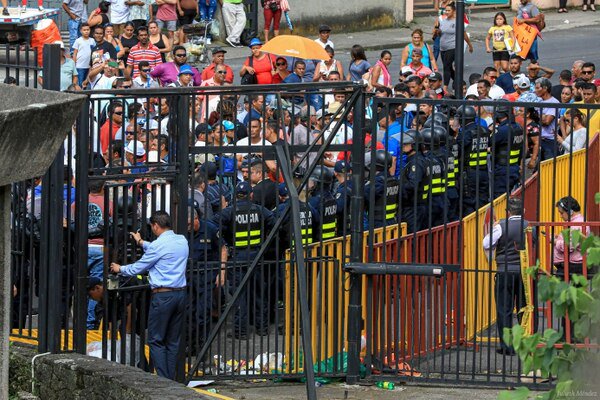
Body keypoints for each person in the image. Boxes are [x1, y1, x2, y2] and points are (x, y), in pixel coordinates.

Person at [110, 211, 188, 380]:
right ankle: (172, 379)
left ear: (155, 226)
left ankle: (163, 379)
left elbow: (139, 267)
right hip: (180, 294)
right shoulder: (182, 241)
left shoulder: (159, 246)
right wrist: (141, 242)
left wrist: (120, 269)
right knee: (172, 341)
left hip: (163, 296)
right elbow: (158, 248)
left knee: (155, 339)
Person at [213, 182, 275, 338]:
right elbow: (275, 223)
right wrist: (265, 241)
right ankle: (262, 328)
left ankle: (241, 331)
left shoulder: (229, 212)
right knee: (260, 293)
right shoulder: (260, 211)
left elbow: (213, 224)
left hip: (238, 259)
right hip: (257, 257)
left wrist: (225, 237)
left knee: (239, 296)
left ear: (236, 196)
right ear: (251, 195)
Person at [482, 198, 528, 356]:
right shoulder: (530, 226)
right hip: (524, 273)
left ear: (508, 212)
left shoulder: (501, 226)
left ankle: (507, 346)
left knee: (504, 309)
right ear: (523, 211)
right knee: (524, 309)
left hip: (505, 271)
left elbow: (486, 243)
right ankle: (525, 342)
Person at [455, 105, 489, 215]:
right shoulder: (484, 130)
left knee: (469, 202)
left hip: (470, 173)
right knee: (482, 201)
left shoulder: (465, 133)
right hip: (483, 171)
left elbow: (458, 151)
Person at [435, 2, 473, 94]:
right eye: (445, 10)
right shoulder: (443, 21)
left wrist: (470, 45)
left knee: (446, 67)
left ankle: (445, 87)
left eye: (449, 10)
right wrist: (437, 31)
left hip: (452, 47)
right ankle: (459, 82)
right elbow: (441, 33)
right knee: (449, 68)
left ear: (454, 11)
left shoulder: (457, 22)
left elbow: (464, 34)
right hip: (443, 48)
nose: (446, 12)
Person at [491, 101, 524, 199]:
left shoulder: (503, 130)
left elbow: (490, 141)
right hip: (514, 168)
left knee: (499, 198)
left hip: (503, 170)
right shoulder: (518, 127)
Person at [399, 130, 429, 233]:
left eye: (406, 143)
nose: (402, 145)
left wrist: (399, 187)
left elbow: (413, 184)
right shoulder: (416, 160)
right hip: (416, 207)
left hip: (413, 208)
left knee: (412, 239)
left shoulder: (416, 162)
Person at [535, 78, 560, 161]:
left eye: (538, 88)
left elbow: (546, 121)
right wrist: (541, 116)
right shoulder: (538, 101)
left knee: (549, 168)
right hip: (539, 139)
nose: (535, 90)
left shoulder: (554, 102)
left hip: (549, 141)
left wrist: (536, 116)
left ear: (545, 88)